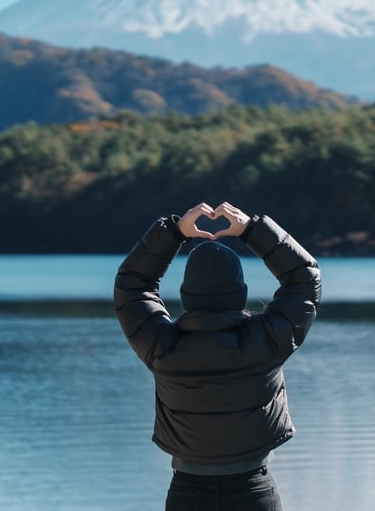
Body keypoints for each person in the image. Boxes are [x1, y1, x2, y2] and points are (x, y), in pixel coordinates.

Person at [114, 201, 321, 511]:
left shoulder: (161, 346)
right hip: (254, 491)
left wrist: (173, 232)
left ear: (187, 295)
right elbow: (304, 277)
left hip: (187, 493)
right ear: (240, 291)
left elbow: (132, 287)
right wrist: (252, 229)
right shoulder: (267, 341)